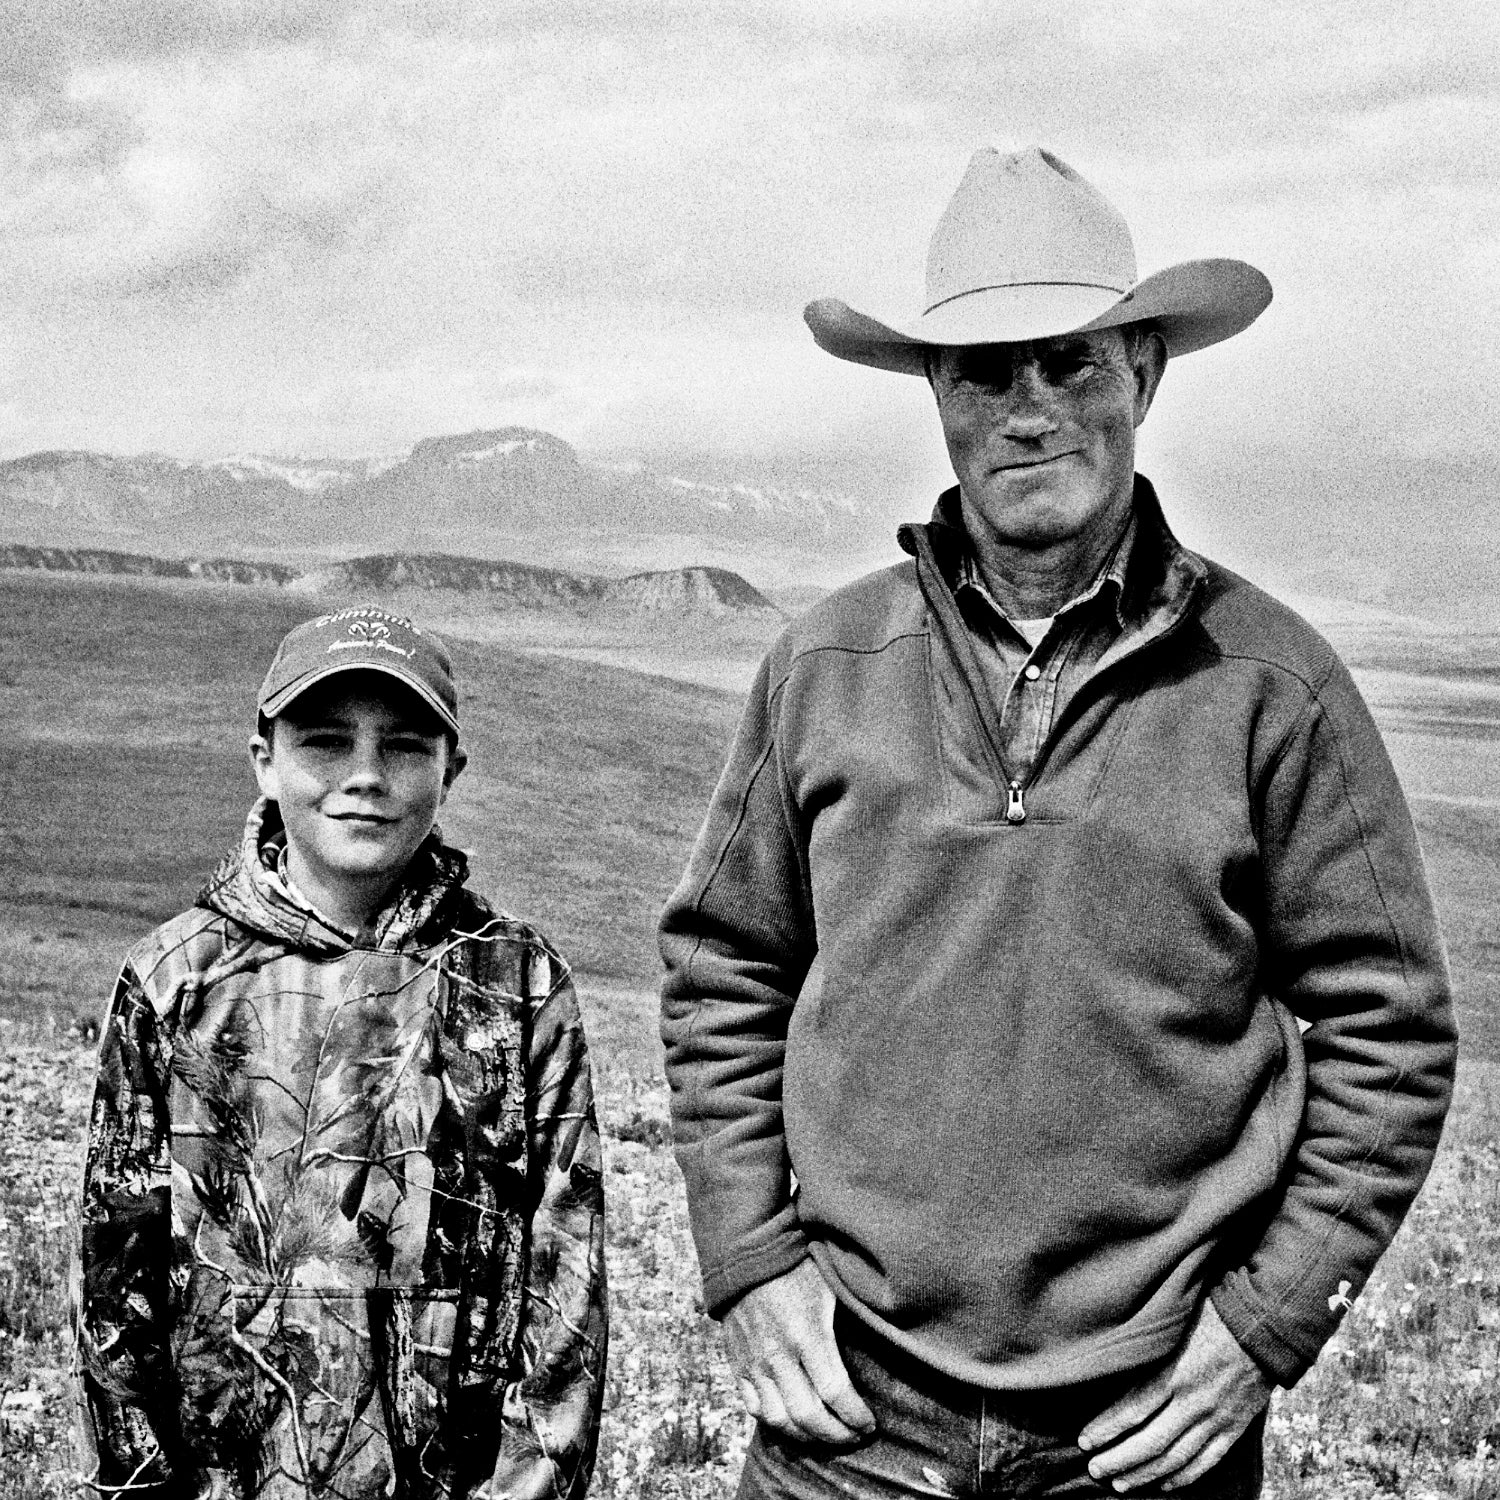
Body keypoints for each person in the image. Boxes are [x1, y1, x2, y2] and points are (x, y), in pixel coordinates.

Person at [660, 146, 1456, 1499]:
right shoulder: (824, 665)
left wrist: (1259, 1333)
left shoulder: (1272, 688)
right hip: (850, 1419)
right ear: (935, 394)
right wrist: (751, 1267)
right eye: (985, 370)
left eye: (1071, 361)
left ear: (1144, 373)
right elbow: (724, 969)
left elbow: (1392, 1028)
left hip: (1142, 1437)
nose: (1029, 409)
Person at [73, 606, 607, 1500]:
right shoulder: (174, 980)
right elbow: (114, 1291)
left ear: (452, 771)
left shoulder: (516, 981)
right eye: (325, 741)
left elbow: (567, 1283)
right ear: (264, 760)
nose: (365, 776)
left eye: (403, 745)